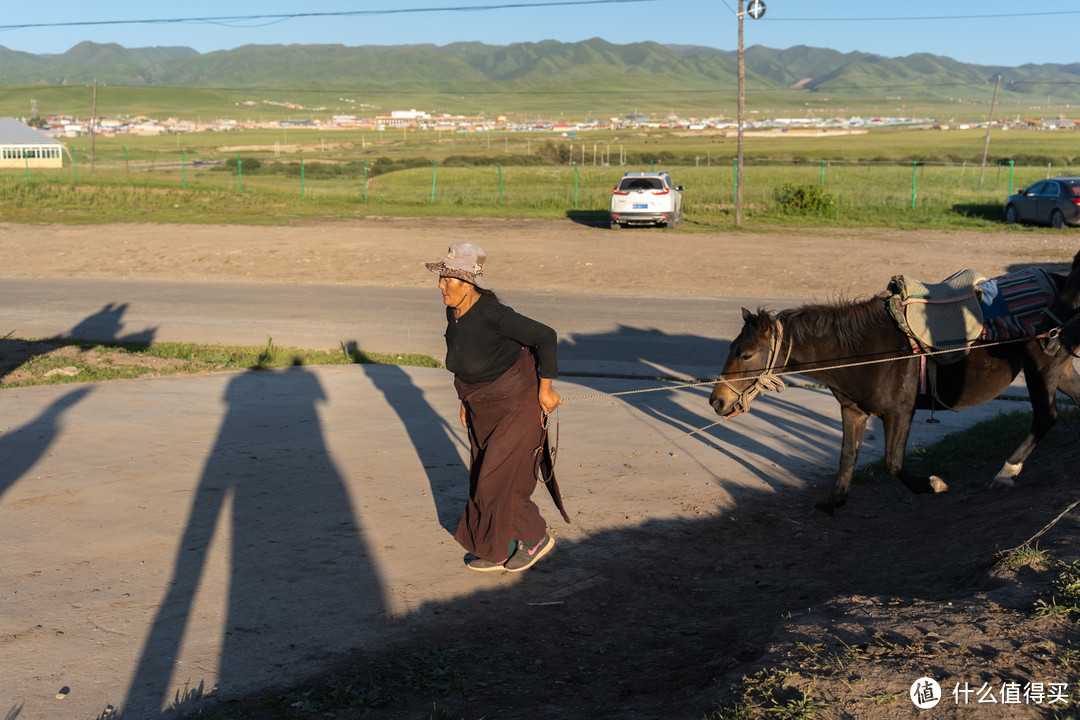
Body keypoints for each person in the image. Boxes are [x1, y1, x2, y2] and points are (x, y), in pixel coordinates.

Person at [426, 242, 564, 572]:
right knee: (482, 480)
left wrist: (546, 388)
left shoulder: (495, 314)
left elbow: (546, 336)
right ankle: (497, 546)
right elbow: (462, 360)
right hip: (481, 405)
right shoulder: (454, 312)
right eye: (441, 278)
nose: (441, 286)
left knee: (499, 481)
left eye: (449, 279)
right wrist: (464, 401)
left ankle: (533, 539)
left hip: (516, 403)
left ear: (469, 283)